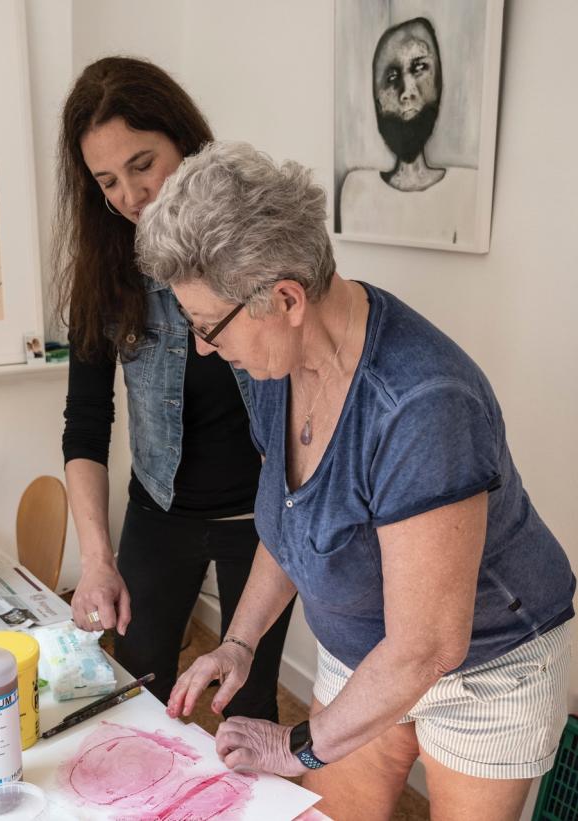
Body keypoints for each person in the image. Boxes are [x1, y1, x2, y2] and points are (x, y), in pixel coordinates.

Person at [136, 141, 575, 821]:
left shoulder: (422, 404)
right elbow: (288, 526)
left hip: (484, 667)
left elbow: (427, 646)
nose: (201, 347)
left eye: (206, 327)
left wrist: (296, 744)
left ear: (285, 298)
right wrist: (240, 640)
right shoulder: (278, 368)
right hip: (367, 645)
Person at [52, 57, 294, 716]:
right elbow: (85, 423)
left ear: (185, 144)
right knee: (136, 689)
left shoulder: (258, 249)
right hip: (161, 513)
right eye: (106, 180)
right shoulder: (105, 272)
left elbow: (306, 402)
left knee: (247, 707)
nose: (129, 196)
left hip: (261, 519)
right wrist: (96, 557)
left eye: (141, 164)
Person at [340, 17, 478, 244]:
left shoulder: (466, 188)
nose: (407, 91)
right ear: (377, 100)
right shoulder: (356, 190)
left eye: (419, 67)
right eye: (392, 76)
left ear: (438, 82)